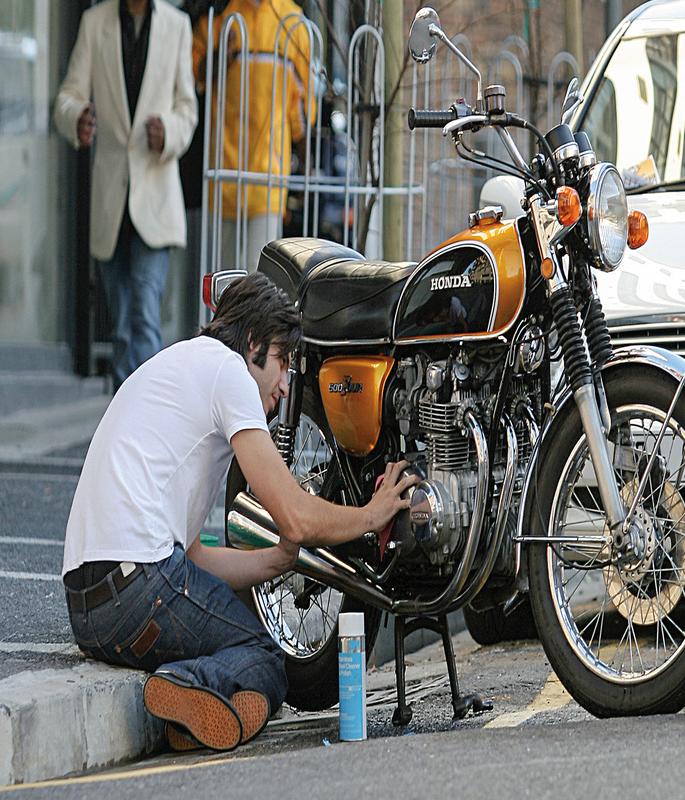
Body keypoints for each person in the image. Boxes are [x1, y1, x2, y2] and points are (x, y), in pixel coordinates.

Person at [62, 272, 418, 752]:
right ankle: (192, 685)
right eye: (283, 361)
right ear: (252, 343)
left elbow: (193, 559)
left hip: (90, 613)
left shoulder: (176, 364)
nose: (286, 385)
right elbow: (295, 516)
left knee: (235, 640)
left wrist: (273, 562)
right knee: (265, 657)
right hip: (139, 588)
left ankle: (190, 712)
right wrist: (373, 515)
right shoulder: (229, 374)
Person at [54, 0, 198, 392]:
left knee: (144, 316)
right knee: (119, 329)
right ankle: (123, 426)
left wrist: (167, 131)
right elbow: (68, 96)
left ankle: (151, 423)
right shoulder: (93, 22)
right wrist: (77, 118)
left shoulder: (178, 25)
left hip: (155, 201)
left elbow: (188, 108)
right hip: (111, 202)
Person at [192, 0, 316, 272]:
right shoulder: (219, 17)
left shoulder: (293, 22)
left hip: (268, 177)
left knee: (257, 274)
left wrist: (307, 160)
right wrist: (219, 58)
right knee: (224, 281)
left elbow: (301, 104)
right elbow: (193, 77)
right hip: (224, 173)